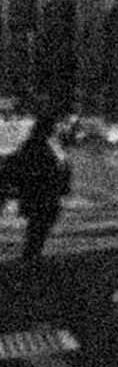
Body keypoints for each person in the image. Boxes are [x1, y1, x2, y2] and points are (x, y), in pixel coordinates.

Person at [0, 109, 71, 274]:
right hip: (39, 193)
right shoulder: (36, 145)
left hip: (45, 193)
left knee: (40, 225)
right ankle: (31, 258)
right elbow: (21, 166)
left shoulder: (46, 144)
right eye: (55, 126)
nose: (58, 128)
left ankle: (32, 257)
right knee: (38, 225)